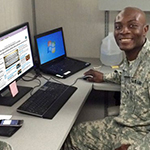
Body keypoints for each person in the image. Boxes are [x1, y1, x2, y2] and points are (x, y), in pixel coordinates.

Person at [62, 7, 150, 150]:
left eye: (132, 25)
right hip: (123, 125)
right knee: (75, 136)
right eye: (118, 27)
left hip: (142, 136)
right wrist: (104, 77)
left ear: (145, 29)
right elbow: (130, 76)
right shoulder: (133, 56)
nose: (124, 31)